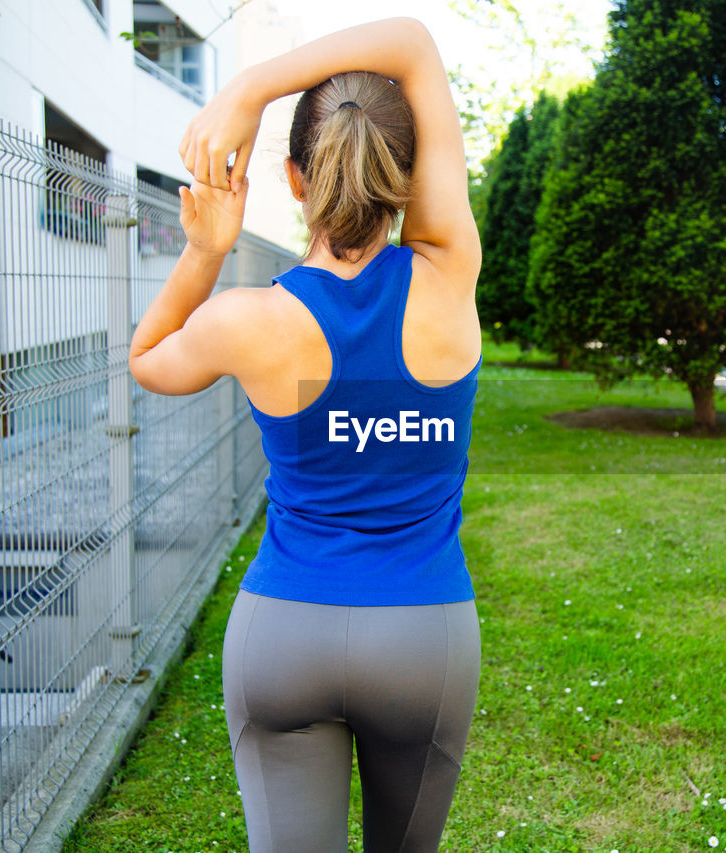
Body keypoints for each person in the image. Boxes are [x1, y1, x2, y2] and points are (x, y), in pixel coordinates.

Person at [127, 17, 483, 853]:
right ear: (407, 178)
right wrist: (254, 90)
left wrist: (206, 251)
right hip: (423, 636)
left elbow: (147, 360)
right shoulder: (449, 277)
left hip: (286, 631)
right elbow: (412, 43)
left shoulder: (249, 322)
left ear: (294, 179)